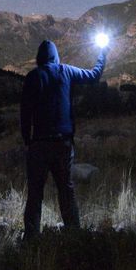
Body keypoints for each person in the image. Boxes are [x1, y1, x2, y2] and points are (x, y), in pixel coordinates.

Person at [20, 38, 106, 240]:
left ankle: (31, 240)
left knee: (35, 194)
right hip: (63, 144)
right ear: (56, 56)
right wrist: (103, 54)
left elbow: (25, 112)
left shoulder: (33, 77)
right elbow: (94, 76)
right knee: (66, 192)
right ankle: (74, 237)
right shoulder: (66, 71)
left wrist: (28, 140)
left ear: (39, 58)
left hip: (39, 144)